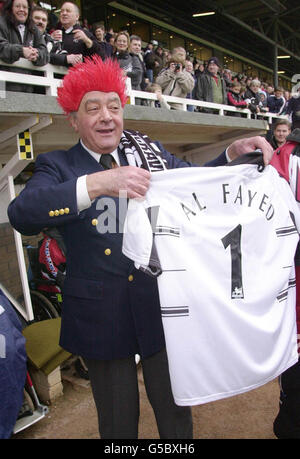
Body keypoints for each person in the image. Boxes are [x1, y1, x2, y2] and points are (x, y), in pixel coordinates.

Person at [7, 56, 274, 439]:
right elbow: (22, 214)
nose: (106, 117)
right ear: (73, 119)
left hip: (159, 306)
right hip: (102, 314)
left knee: (176, 412)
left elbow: (191, 181)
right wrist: (98, 183)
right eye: (93, 108)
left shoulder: (148, 154)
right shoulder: (58, 165)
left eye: (114, 107)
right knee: (118, 425)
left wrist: (231, 154)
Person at [0, 0, 48, 92]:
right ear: (11, 8)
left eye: (25, 7)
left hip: (28, 87)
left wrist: (37, 54)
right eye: (18, 6)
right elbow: (1, 47)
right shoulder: (2, 23)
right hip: (4, 86)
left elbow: (45, 53)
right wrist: (21, 51)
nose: (22, 10)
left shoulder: (33, 28)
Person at [49, 1, 103, 67]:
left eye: (68, 11)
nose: (64, 13)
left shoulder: (86, 34)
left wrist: (87, 41)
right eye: (62, 11)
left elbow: (101, 57)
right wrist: (50, 40)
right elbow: (46, 56)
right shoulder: (55, 34)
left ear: (77, 16)